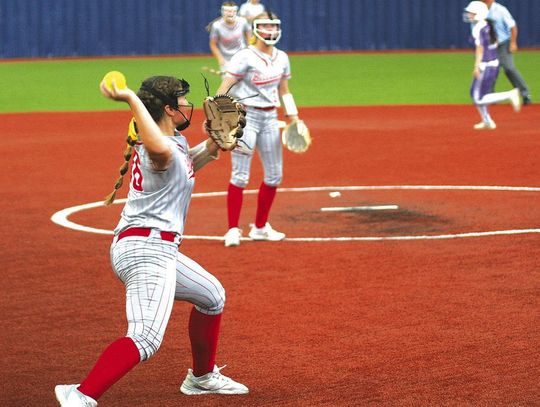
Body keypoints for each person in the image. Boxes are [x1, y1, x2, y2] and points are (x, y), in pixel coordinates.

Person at [54, 75, 248, 406]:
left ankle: (201, 378)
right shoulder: (157, 147)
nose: (190, 106)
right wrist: (131, 98)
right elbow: (162, 153)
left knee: (212, 296)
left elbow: (181, 164)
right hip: (144, 250)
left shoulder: (175, 143)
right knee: (145, 338)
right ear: (169, 109)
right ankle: (80, 395)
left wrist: (213, 147)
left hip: (157, 247)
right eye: (183, 101)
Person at [216, 11, 302, 247]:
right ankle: (233, 229)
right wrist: (217, 113)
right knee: (240, 176)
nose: (270, 31)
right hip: (246, 118)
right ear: (255, 29)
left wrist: (293, 116)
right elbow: (226, 85)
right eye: (265, 26)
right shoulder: (244, 56)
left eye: (274, 27)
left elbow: (284, 89)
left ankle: (260, 227)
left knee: (275, 175)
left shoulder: (282, 57)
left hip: (271, 118)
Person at [463, 1, 521, 130]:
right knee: (478, 94)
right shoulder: (489, 24)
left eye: (471, 13)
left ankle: (510, 95)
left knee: (477, 98)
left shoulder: (478, 28)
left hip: (485, 65)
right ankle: (487, 121)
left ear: (479, 14)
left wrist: (476, 66)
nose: (469, 15)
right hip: (493, 63)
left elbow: (480, 49)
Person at [482, 0, 532, 105]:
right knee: (490, 70)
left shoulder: (500, 10)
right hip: (489, 46)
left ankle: (525, 94)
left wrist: (513, 42)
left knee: (509, 68)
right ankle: (490, 97)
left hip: (503, 43)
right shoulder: (479, 9)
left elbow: (512, 26)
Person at [207, 2, 251, 74]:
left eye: (233, 11)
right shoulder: (217, 26)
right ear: (223, 12)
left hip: (242, 58)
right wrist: (220, 58)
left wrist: (250, 53)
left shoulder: (243, 22)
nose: (231, 13)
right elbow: (213, 44)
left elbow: (250, 39)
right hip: (226, 60)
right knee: (229, 84)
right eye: (228, 11)